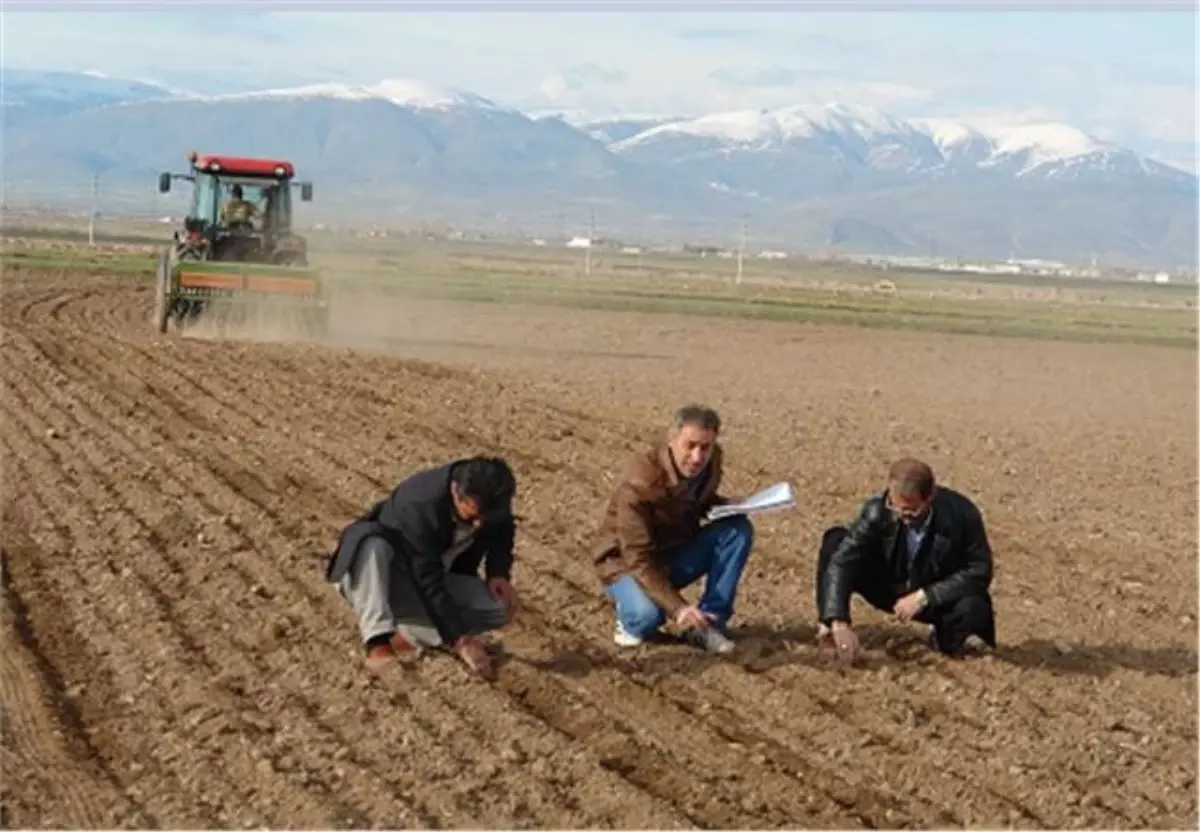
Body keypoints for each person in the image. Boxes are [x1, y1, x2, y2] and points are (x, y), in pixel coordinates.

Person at [324, 456, 521, 677]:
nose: (479, 524)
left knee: (498, 608)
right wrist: (460, 638)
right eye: (474, 514)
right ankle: (377, 643)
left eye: (486, 518)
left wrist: (498, 573)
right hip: (378, 577)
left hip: (431, 576)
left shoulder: (490, 497)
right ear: (456, 492)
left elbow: (503, 530)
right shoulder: (418, 504)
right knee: (374, 545)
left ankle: (407, 637)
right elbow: (427, 578)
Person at [592, 404, 756, 654]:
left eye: (705, 447)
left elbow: (689, 503)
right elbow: (636, 558)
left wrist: (724, 504)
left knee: (737, 530)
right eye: (690, 446)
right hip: (626, 564)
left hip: (674, 553)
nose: (698, 457)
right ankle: (629, 616)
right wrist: (678, 608)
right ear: (671, 440)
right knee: (647, 617)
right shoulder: (639, 484)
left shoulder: (710, 463)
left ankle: (708, 623)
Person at [815, 458, 996, 663]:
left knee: (973, 604)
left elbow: (980, 569)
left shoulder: (962, 515)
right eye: (896, 509)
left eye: (911, 512)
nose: (902, 517)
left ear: (930, 498)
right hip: (889, 583)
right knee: (835, 541)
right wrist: (839, 620)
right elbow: (843, 561)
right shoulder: (878, 510)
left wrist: (925, 596)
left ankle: (946, 640)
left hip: (930, 593)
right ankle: (828, 632)